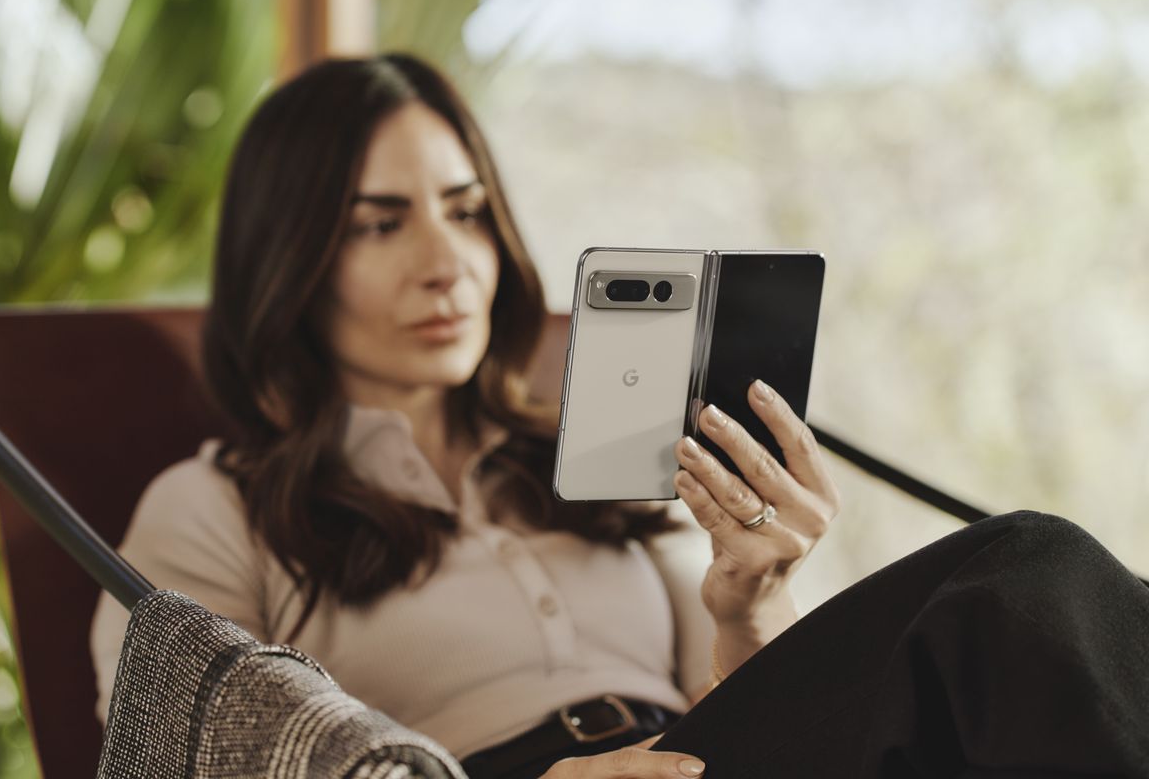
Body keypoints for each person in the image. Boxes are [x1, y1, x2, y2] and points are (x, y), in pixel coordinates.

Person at [90, 54, 1149, 778]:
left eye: (467, 213)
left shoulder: (591, 458)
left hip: (700, 750)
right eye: (380, 224)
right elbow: (189, 746)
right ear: (289, 264)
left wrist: (751, 604)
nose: (447, 264)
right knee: (1022, 567)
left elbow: (748, 709)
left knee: (1036, 615)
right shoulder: (214, 504)